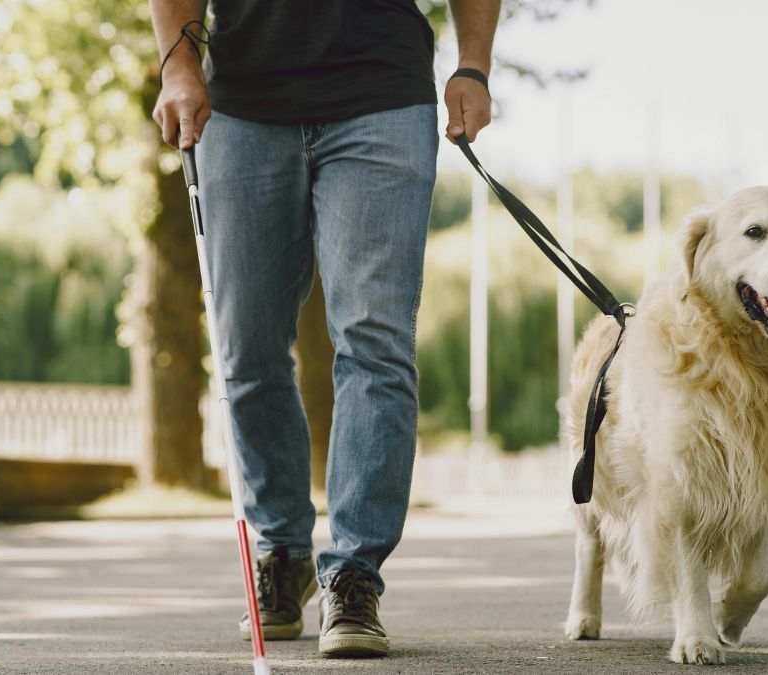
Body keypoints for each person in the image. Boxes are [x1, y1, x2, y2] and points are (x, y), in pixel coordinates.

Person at [148, 0, 499, 658]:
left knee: (375, 341)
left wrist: (473, 65)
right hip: (244, 104)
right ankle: (282, 551)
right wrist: (179, 64)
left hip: (382, 96)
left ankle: (355, 573)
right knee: (245, 345)